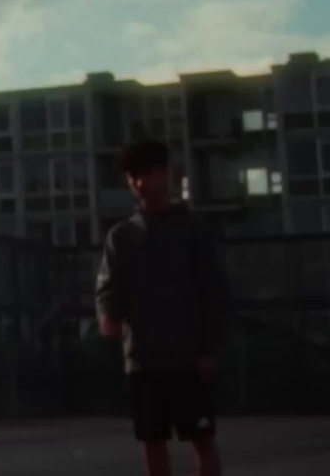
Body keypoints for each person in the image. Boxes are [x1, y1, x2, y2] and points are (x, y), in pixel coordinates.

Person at [95, 138, 228, 476]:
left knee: (202, 438)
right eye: (133, 177)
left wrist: (209, 349)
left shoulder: (193, 230)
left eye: (148, 174)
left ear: (166, 175)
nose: (140, 183)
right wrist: (108, 316)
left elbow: (214, 291)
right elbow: (107, 287)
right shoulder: (122, 236)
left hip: (188, 356)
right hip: (143, 359)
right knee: (152, 441)